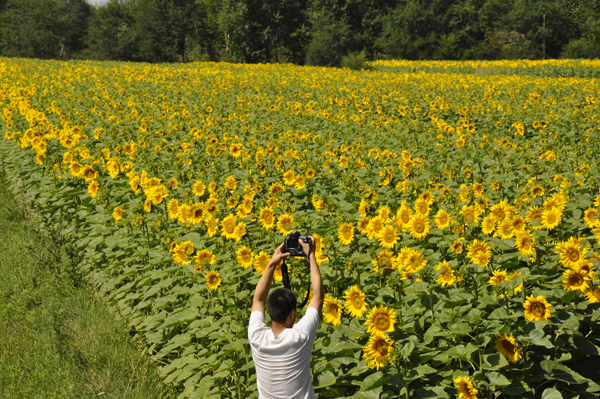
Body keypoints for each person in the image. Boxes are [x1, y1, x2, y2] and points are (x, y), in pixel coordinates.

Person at [248, 236, 324, 399]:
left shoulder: (256, 337)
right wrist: (311, 255)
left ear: (268, 311)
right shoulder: (300, 337)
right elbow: (317, 297)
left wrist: (272, 263)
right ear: (292, 314)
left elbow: (258, 299)